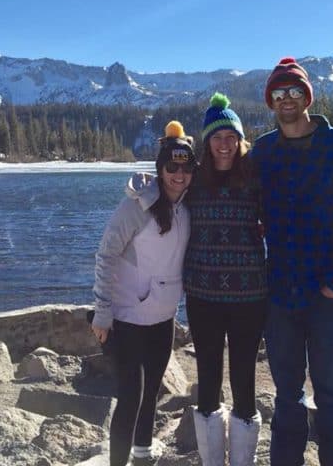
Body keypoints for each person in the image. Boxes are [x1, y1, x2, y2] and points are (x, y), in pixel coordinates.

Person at [251, 57, 333, 466]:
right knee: (287, 400)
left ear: (307, 96)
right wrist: (162, 185)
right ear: (272, 101)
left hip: (328, 296)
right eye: (279, 93)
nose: (287, 99)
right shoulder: (264, 152)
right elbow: (231, 193)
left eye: (294, 92)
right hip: (281, 294)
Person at [91, 120, 196, 466]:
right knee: (130, 398)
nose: (179, 174)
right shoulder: (137, 206)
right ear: (160, 168)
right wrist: (102, 312)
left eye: (186, 166)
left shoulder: (189, 206)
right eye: (171, 166)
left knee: (152, 391)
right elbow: (106, 254)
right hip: (127, 319)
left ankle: (143, 455)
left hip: (163, 319)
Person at [184, 93, 267, 466]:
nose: (224, 144)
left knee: (245, 379)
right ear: (207, 141)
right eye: (217, 137)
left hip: (250, 294)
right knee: (208, 378)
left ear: (239, 139)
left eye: (231, 136)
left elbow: (283, 212)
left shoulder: (255, 175)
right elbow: (164, 191)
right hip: (202, 295)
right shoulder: (194, 179)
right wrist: (141, 188)